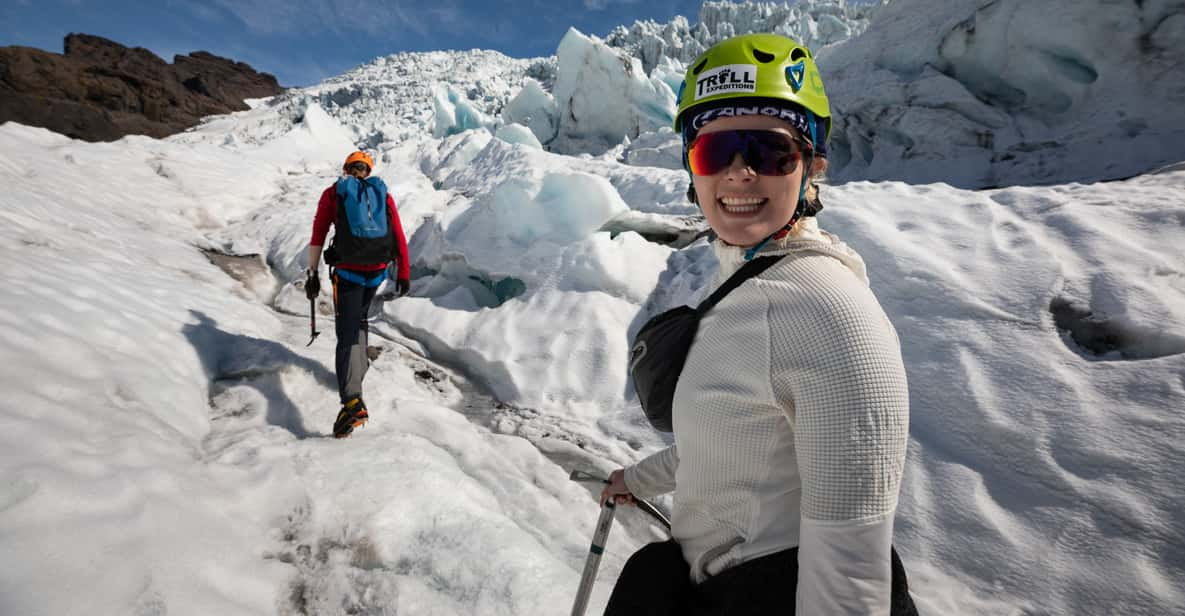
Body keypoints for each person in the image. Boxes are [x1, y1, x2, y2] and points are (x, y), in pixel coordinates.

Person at [601, 34, 918, 615]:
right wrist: (637, 479)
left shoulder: (831, 315)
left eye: (769, 152)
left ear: (811, 167)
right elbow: (722, 447)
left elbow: (849, 582)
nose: (740, 174)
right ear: (691, 169)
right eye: (713, 153)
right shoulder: (750, 286)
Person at [304, 150, 410, 438]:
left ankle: (352, 400)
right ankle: (356, 373)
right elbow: (398, 234)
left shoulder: (335, 192)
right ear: (368, 170)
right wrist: (403, 272)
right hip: (376, 272)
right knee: (360, 320)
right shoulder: (381, 194)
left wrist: (312, 273)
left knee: (347, 331)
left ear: (346, 169)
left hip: (348, 273)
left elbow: (319, 232)